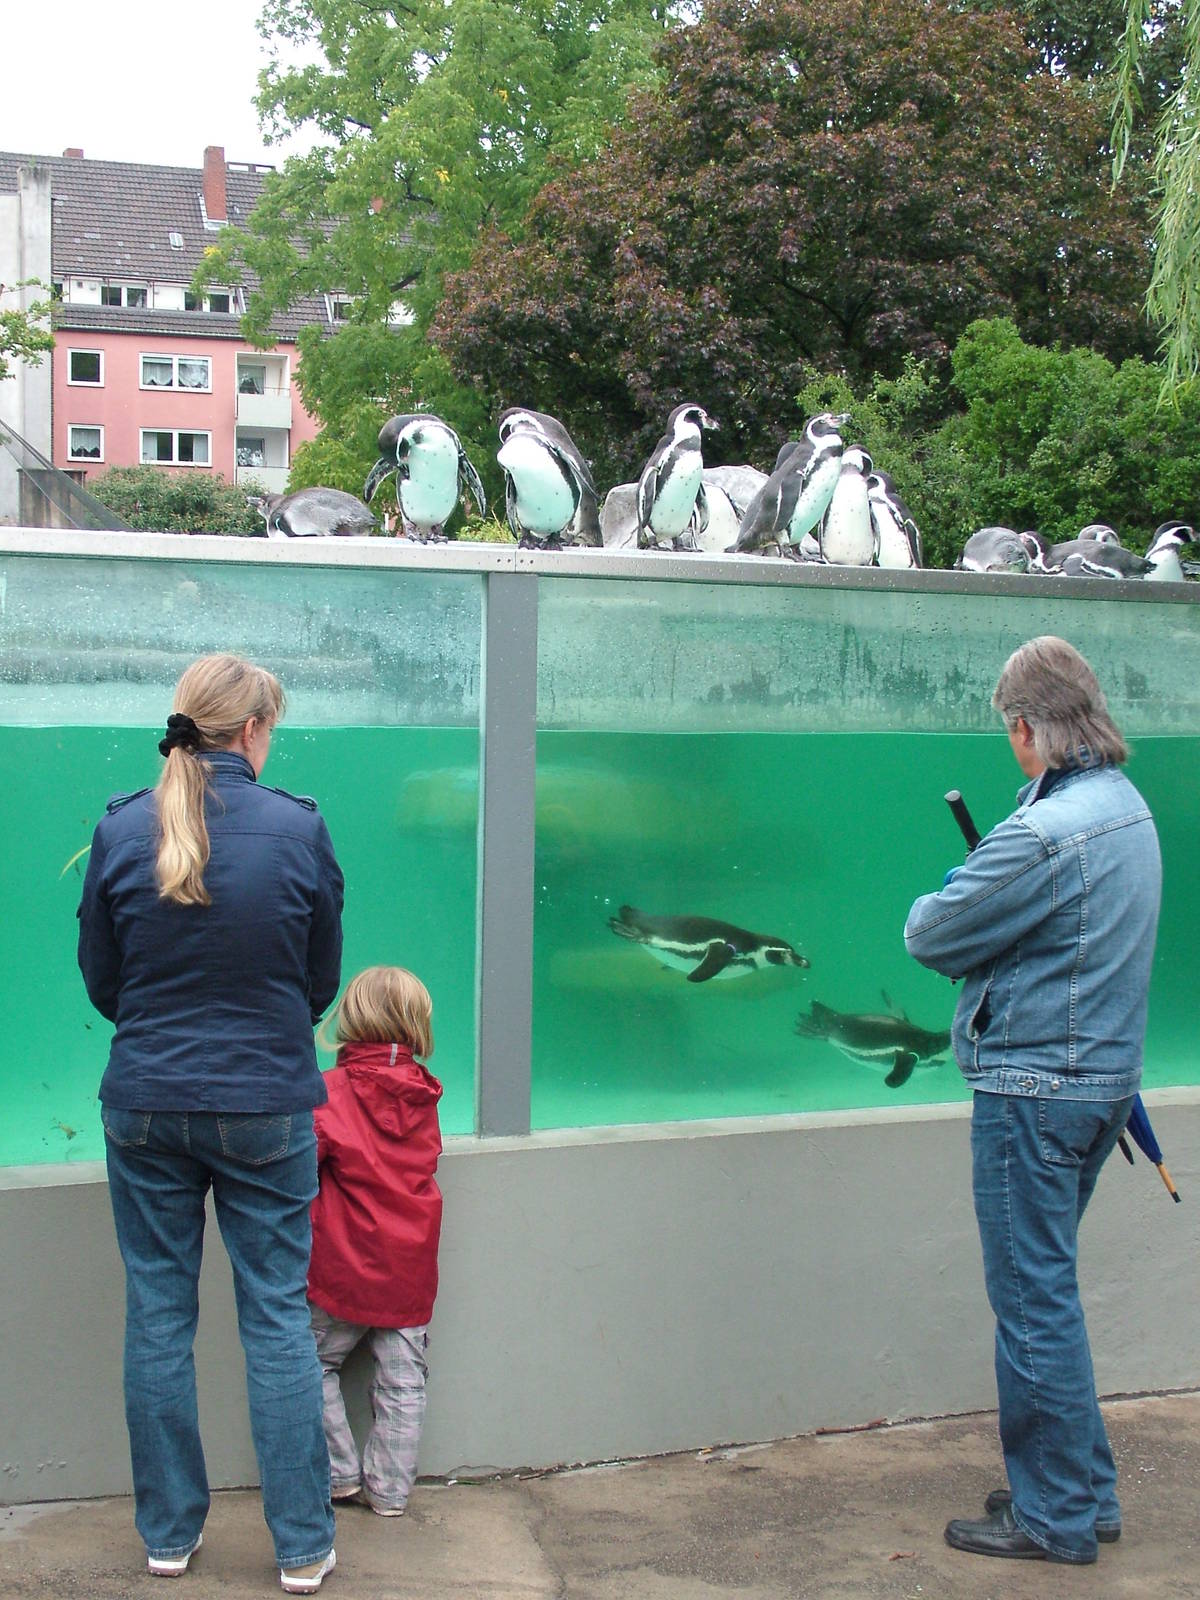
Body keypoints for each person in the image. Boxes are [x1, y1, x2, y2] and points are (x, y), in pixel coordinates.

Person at [77, 653, 344, 1596]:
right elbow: (320, 982)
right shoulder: (298, 830)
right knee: (274, 1319)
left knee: (158, 1316)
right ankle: (304, 1547)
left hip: (145, 1102)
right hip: (267, 1102)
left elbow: (104, 982)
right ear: (255, 731)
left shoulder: (119, 829)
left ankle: (168, 1538)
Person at [904, 636, 1161, 1566]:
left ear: (1026, 727)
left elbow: (930, 934)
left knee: (1030, 1303)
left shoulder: (1043, 833)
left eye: (1008, 727)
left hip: (1031, 1093)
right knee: (1049, 1292)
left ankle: (1050, 1518)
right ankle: (1082, 1494)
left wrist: (966, 895)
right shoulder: (1125, 810)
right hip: (1101, 1090)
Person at [307, 966, 443, 1516]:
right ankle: (389, 1493)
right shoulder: (425, 1094)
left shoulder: (326, 1093)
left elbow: (298, 1171)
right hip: (409, 1264)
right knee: (404, 1381)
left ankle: (339, 1474)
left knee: (307, 1364)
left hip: (341, 1266)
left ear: (350, 1017)